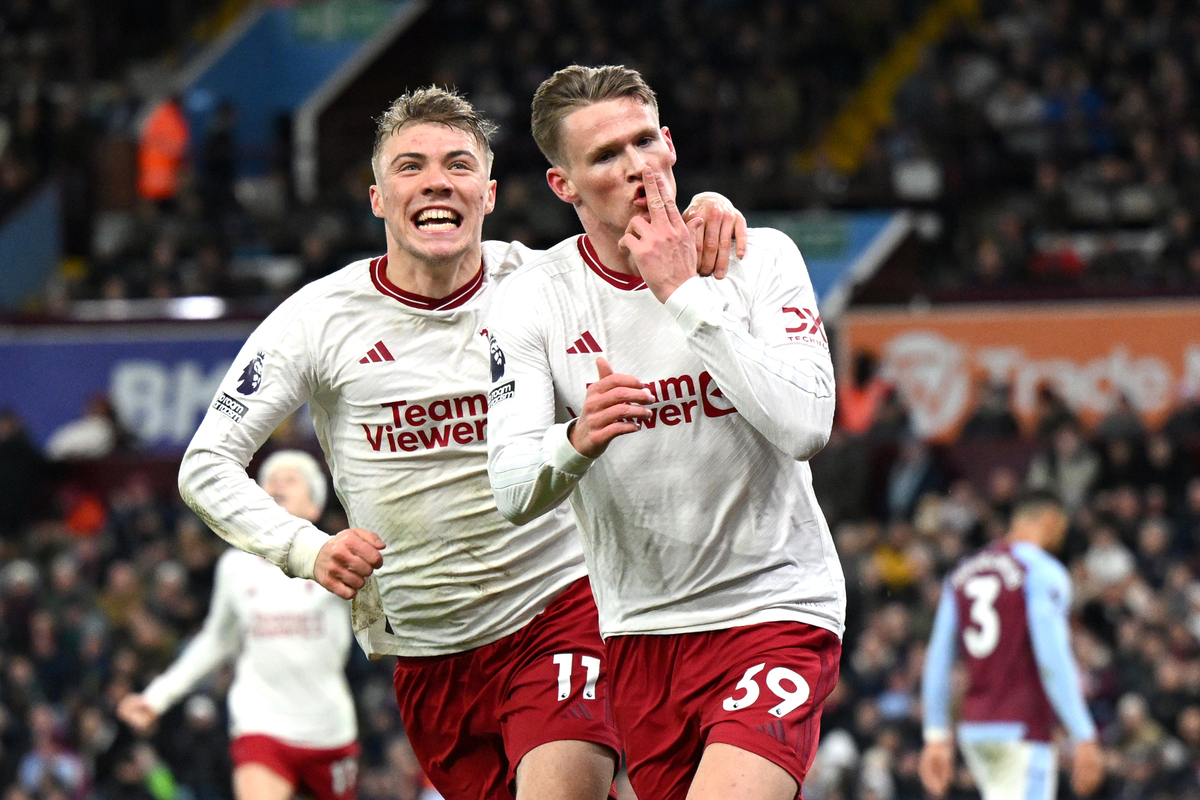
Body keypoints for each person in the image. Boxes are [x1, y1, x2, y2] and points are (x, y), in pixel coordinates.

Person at [177, 86, 746, 800]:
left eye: (458, 165)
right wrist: (307, 547)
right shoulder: (317, 321)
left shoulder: (542, 283)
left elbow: (637, 249)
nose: (437, 181)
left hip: (560, 609)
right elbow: (206, 465)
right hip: (426, 649)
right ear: (379, 197)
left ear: (490, 194)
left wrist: (707, 210)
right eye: (411, 167)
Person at [486, 65, 844, 800]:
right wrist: (575, 440)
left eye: (645, 140)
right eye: (606, 156)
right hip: (641, 629)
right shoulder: (533, 301)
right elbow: (512, 486)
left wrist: (685, 296)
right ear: (565, 187)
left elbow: (807, 427)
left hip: (775, 607)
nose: (637, 167)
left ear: (672, 144)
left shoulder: (755, 256)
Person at [118, 450, 359, 800]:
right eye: (270, 480)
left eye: (291, 479)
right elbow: (216, 641)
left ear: (314, 508)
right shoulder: (235, 566)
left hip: (328, 729)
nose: (277, 484)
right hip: (260, 723)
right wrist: (157, 697)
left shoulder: (340, 558)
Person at [918, 489, 1105, 800]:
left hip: (975, 728)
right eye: (1061, 526)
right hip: (1022, 726)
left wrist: (935, 735)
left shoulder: (963, 571)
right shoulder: (1043, 571)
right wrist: (1083, 734)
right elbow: (1052, 657)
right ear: (1049, 519)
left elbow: (937, 657)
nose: (1061, 534)